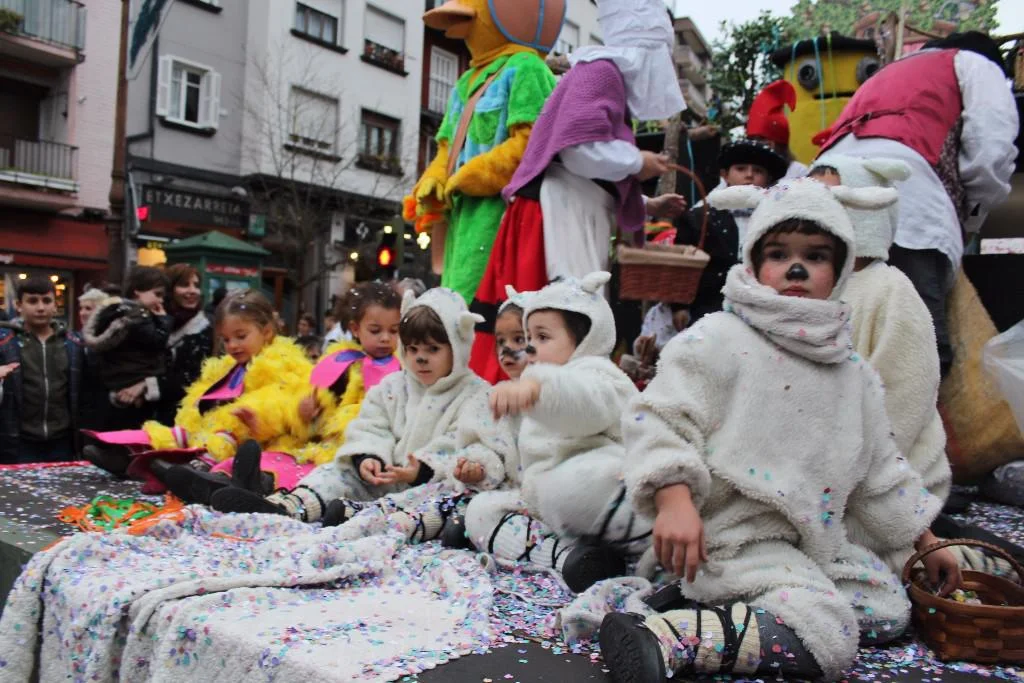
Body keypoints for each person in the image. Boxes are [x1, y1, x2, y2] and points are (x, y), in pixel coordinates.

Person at [596, 179, 955, 682]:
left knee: (885, 607)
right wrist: (674, 501)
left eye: (816, 256)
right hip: (729, 537)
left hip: (811, 544)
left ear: (842, 267)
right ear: (752, 261)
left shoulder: (851, 372)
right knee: (828, 633)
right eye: (779, 254)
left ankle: (701, 602)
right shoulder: (717, 339)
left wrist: (924, 539)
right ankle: (672, 637)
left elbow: (880, 472)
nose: (796, 268)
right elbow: (659, 418)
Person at [809, 155, 1015, 580]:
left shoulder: (889, 290)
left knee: (874, 557)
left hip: (880, 474)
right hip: (816, 469)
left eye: (834, 201)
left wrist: (849, 473)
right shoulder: (809, 288)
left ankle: (955, 559)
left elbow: (903, 399)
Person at [467, 0, 689, 383]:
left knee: (566, 316)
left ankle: (561, 395)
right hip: (557, 216)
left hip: (568, 211)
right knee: (560, 315)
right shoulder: (600, 72)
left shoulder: (606, 75)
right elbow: (578, 150)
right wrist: (637, 161)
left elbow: (593, 175)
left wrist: (648, 204)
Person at [816, 31, 1019, 375]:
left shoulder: (884, 74)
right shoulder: (973, 63)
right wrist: (972, 218)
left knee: (827, 335)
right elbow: (990, 151)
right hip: (908, 197)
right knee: (915, 347)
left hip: (824, 185)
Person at [210, 287, 488, 524]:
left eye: (433, 349)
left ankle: (355, 514)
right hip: (381, 478)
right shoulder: (393, 386)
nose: (421, 358)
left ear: (458, 345)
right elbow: (370, 425)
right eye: (413, 349)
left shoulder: (473, 394)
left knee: (447, 499)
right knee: (335, 473)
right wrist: (369, 457)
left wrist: (424, 468)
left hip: (428, 486)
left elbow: (464, 443)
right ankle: (289, 506)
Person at [458, 273, 648, 592]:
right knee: (479, 511)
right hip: (553, 510)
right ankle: (570, 560)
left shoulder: (601, 375)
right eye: (529, 336)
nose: (530, 347)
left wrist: (538, 391)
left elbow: (587, 405)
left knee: (572, 485)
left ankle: (644, 542)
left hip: (599, 491)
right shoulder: (530, 384)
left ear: (585, 340)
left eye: (542, 337)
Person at [167, 282, 404, 505]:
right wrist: (308, 415)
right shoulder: (339, 362)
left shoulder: (404, 367)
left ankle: (252, 487)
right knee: (275, 458)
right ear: (355, 329)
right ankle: (217, 480)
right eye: (375, 330)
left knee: (296, 468)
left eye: (394, 331)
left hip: (359, 447)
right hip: (315, 441)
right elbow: (320, 408)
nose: (385, 338)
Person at [81, 290, 312, 493]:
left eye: (241, 336)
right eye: (226, 339)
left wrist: (259, 422)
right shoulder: (227, 367)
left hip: (256, 443)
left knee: (228, 429)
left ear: (267, 331)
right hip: (211, 433)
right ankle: (132, 456)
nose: (232, 345)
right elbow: (202, 400)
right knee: (179, 432)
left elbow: (285, 408)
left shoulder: (284, 362)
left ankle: (196, 469)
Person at [673, 138, 787, 322]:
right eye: (741, 169)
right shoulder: (700, 217)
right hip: (709, 311)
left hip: (766, 311)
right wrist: (679, 307)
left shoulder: (780, 219)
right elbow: (683, 265)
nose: (749, 175)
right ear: (725, 175)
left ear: (768, 180)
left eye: (758, 171)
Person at [0, 276, 85, 463]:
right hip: (17, 441)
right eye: (32, 301)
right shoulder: (5, 343)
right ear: (19, 305)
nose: (40, 307)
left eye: (47, 301)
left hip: (63, 441)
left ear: (55, 305)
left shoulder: (74, 344)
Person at [82, 267, 171, 430]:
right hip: (135, 377)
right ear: (138, 291)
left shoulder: (114, 311)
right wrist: (163, 321)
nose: (160, 301)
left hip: (113, 381)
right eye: (157, 294)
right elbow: (157, 340)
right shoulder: (139, 317)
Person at [746, 80, 809, 180]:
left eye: (760, 139)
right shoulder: (745, 172)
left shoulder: (799, 172)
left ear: (771, 144)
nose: (753, 145)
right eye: (751, 140)